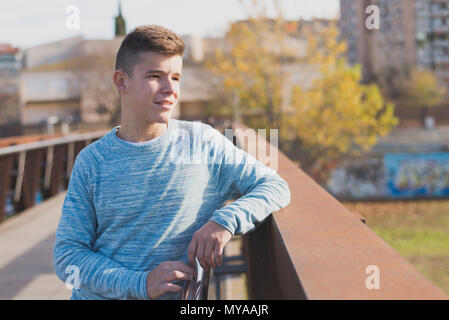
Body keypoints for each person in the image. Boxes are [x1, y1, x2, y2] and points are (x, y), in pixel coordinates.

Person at [53, 25, 291, 300]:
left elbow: (275, 185)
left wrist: (224, 222)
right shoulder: (92, 162)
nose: (170, 89)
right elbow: (68, 258)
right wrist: (140, 283)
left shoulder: (201, 142)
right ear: (121, 81)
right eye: (155, 76)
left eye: (175, 77)